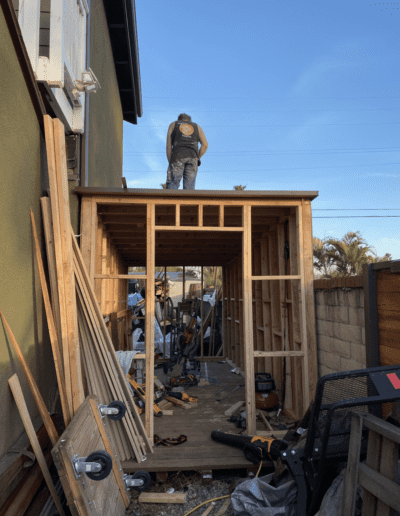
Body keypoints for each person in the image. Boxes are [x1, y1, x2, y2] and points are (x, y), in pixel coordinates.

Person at [165, 114, 208, 189]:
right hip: (193, 157)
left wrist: (170, 162)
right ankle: (188, 200)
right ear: (189, 121)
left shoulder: (173, 124)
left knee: (173, 184)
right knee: (189, 188)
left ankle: (170, 200)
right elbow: (205, 145)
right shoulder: (197, 127)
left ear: (179, 120)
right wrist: (197, 157)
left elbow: (168, 146)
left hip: (177, 156)